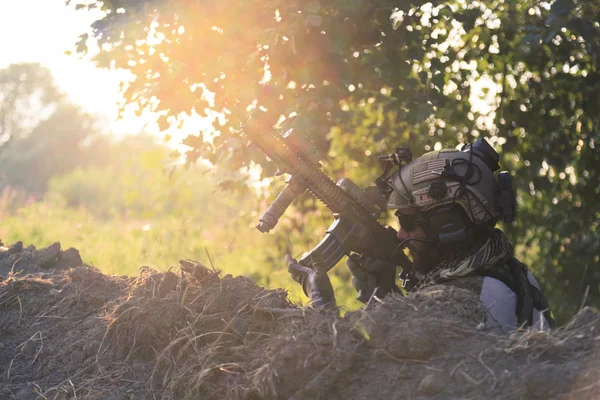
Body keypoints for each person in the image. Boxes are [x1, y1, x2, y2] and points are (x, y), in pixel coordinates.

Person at [287, 138, 555, 333]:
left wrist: (322, 306)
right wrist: (385, 295)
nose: (401, 233)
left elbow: (363, 376)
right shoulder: (505, 270)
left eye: (407, 221)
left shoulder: (457, 300)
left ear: (446, 224)